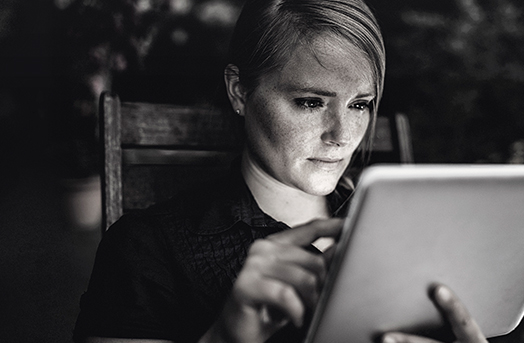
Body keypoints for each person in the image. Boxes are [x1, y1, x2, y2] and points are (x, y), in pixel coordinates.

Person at [74, 0, 489, 342]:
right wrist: (222, 338)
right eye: (310, 102)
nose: (342, 135)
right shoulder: (146, 249)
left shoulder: (413, 229)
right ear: (240, 90)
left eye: (360, 105)